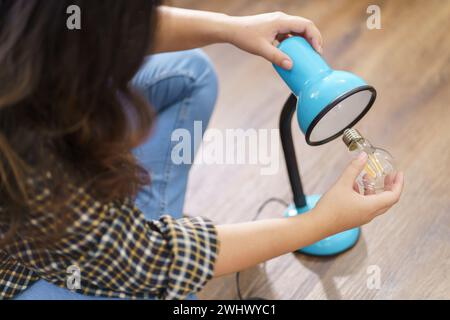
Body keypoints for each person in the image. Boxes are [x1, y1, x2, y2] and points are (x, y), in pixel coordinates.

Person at [0, 1, 404, 300]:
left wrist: (232, 27)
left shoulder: (34, 26)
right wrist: (319, 223)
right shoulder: (32, 159)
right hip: (16, 270)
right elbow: (151, 260)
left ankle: (121, 242)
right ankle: (123, 251)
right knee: (165, 291)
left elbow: (93, 20)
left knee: (188, 73)